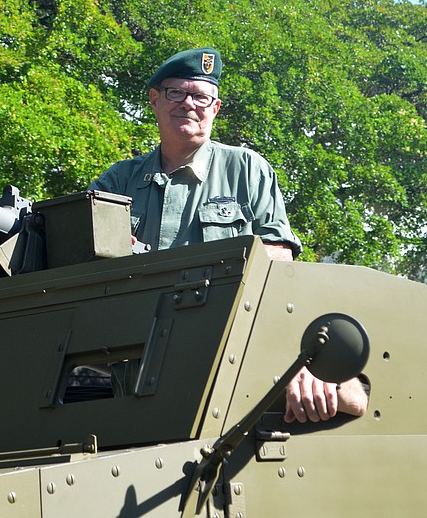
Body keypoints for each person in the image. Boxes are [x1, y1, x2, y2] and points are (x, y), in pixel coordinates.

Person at [89, 47, 368, 422]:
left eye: (201, 96)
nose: (189, 104)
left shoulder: (246, 169)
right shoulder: (119, 180)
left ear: (215, 108)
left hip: (224, 356)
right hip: (135, 367)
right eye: (176, 93)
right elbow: (85, 266)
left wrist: (294, 357)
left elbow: (278, 267)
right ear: (155, 100)